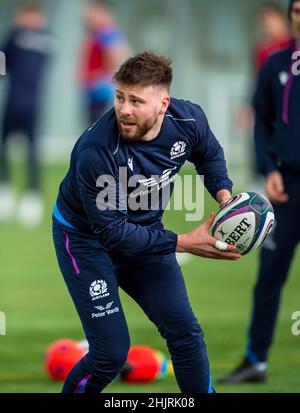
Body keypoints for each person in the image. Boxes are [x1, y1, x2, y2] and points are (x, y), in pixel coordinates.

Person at [52, 51, 241, 393]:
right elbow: (110, 232)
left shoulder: (189, 120)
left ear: (163, 104)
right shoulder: (96, 150)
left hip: (145, 232)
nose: (124, 109)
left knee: (184, 331)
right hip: (85, 240)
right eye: (120, 97)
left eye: (136, 101)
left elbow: (209, 154)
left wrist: (225, 197)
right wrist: (184, 242)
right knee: (110, 354)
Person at [219, 0, 300, 384]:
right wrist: (268, 168)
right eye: (297, 9)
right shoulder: (275, 64)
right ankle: (256, 360)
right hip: (287, 187)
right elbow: (261, 123)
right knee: (269, 273)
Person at [0, 4, 52, 226]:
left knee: (32, 151)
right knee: (3, 148)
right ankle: (6, 192)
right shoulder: (14, 37)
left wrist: (26, 31)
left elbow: (40, 61)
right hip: (12, 103)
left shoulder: (45, 39)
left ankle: (33, 197)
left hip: (32, 106)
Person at [79, 1, 131, 124]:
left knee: (98, 125)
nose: (87, 18)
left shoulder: (107, 33)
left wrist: (104, 78)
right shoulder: (96, 33)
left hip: (101, 87)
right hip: (95, 87)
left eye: (90, 14)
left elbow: (118, 55)